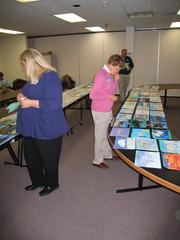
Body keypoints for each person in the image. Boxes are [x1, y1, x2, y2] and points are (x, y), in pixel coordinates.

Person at [16, 48, 69, 196]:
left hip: (47, 126)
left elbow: (54, 104)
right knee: (32, 157)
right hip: (30, 127)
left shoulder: (50, 77)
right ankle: (37, 181)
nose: (23, 67)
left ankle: (52, 184)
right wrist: (21, 95)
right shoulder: (33, 77)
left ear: (32, 62)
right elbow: (29, 93)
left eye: (24, 63)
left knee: (49, 159)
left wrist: (30, 103)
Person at [90, 54, 123, 168]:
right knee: (100, 135)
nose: (117, 71)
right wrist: (109, 97)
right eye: (116, 68)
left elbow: (111, 90)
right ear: (110, 64)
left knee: (106, 134)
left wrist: (116, 81)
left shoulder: (109, 74)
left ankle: (107, 155)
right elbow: (92, 95)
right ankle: (97, 160)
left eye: (118, 69)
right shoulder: (101, 75)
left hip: (107, 109)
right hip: (100, 110)